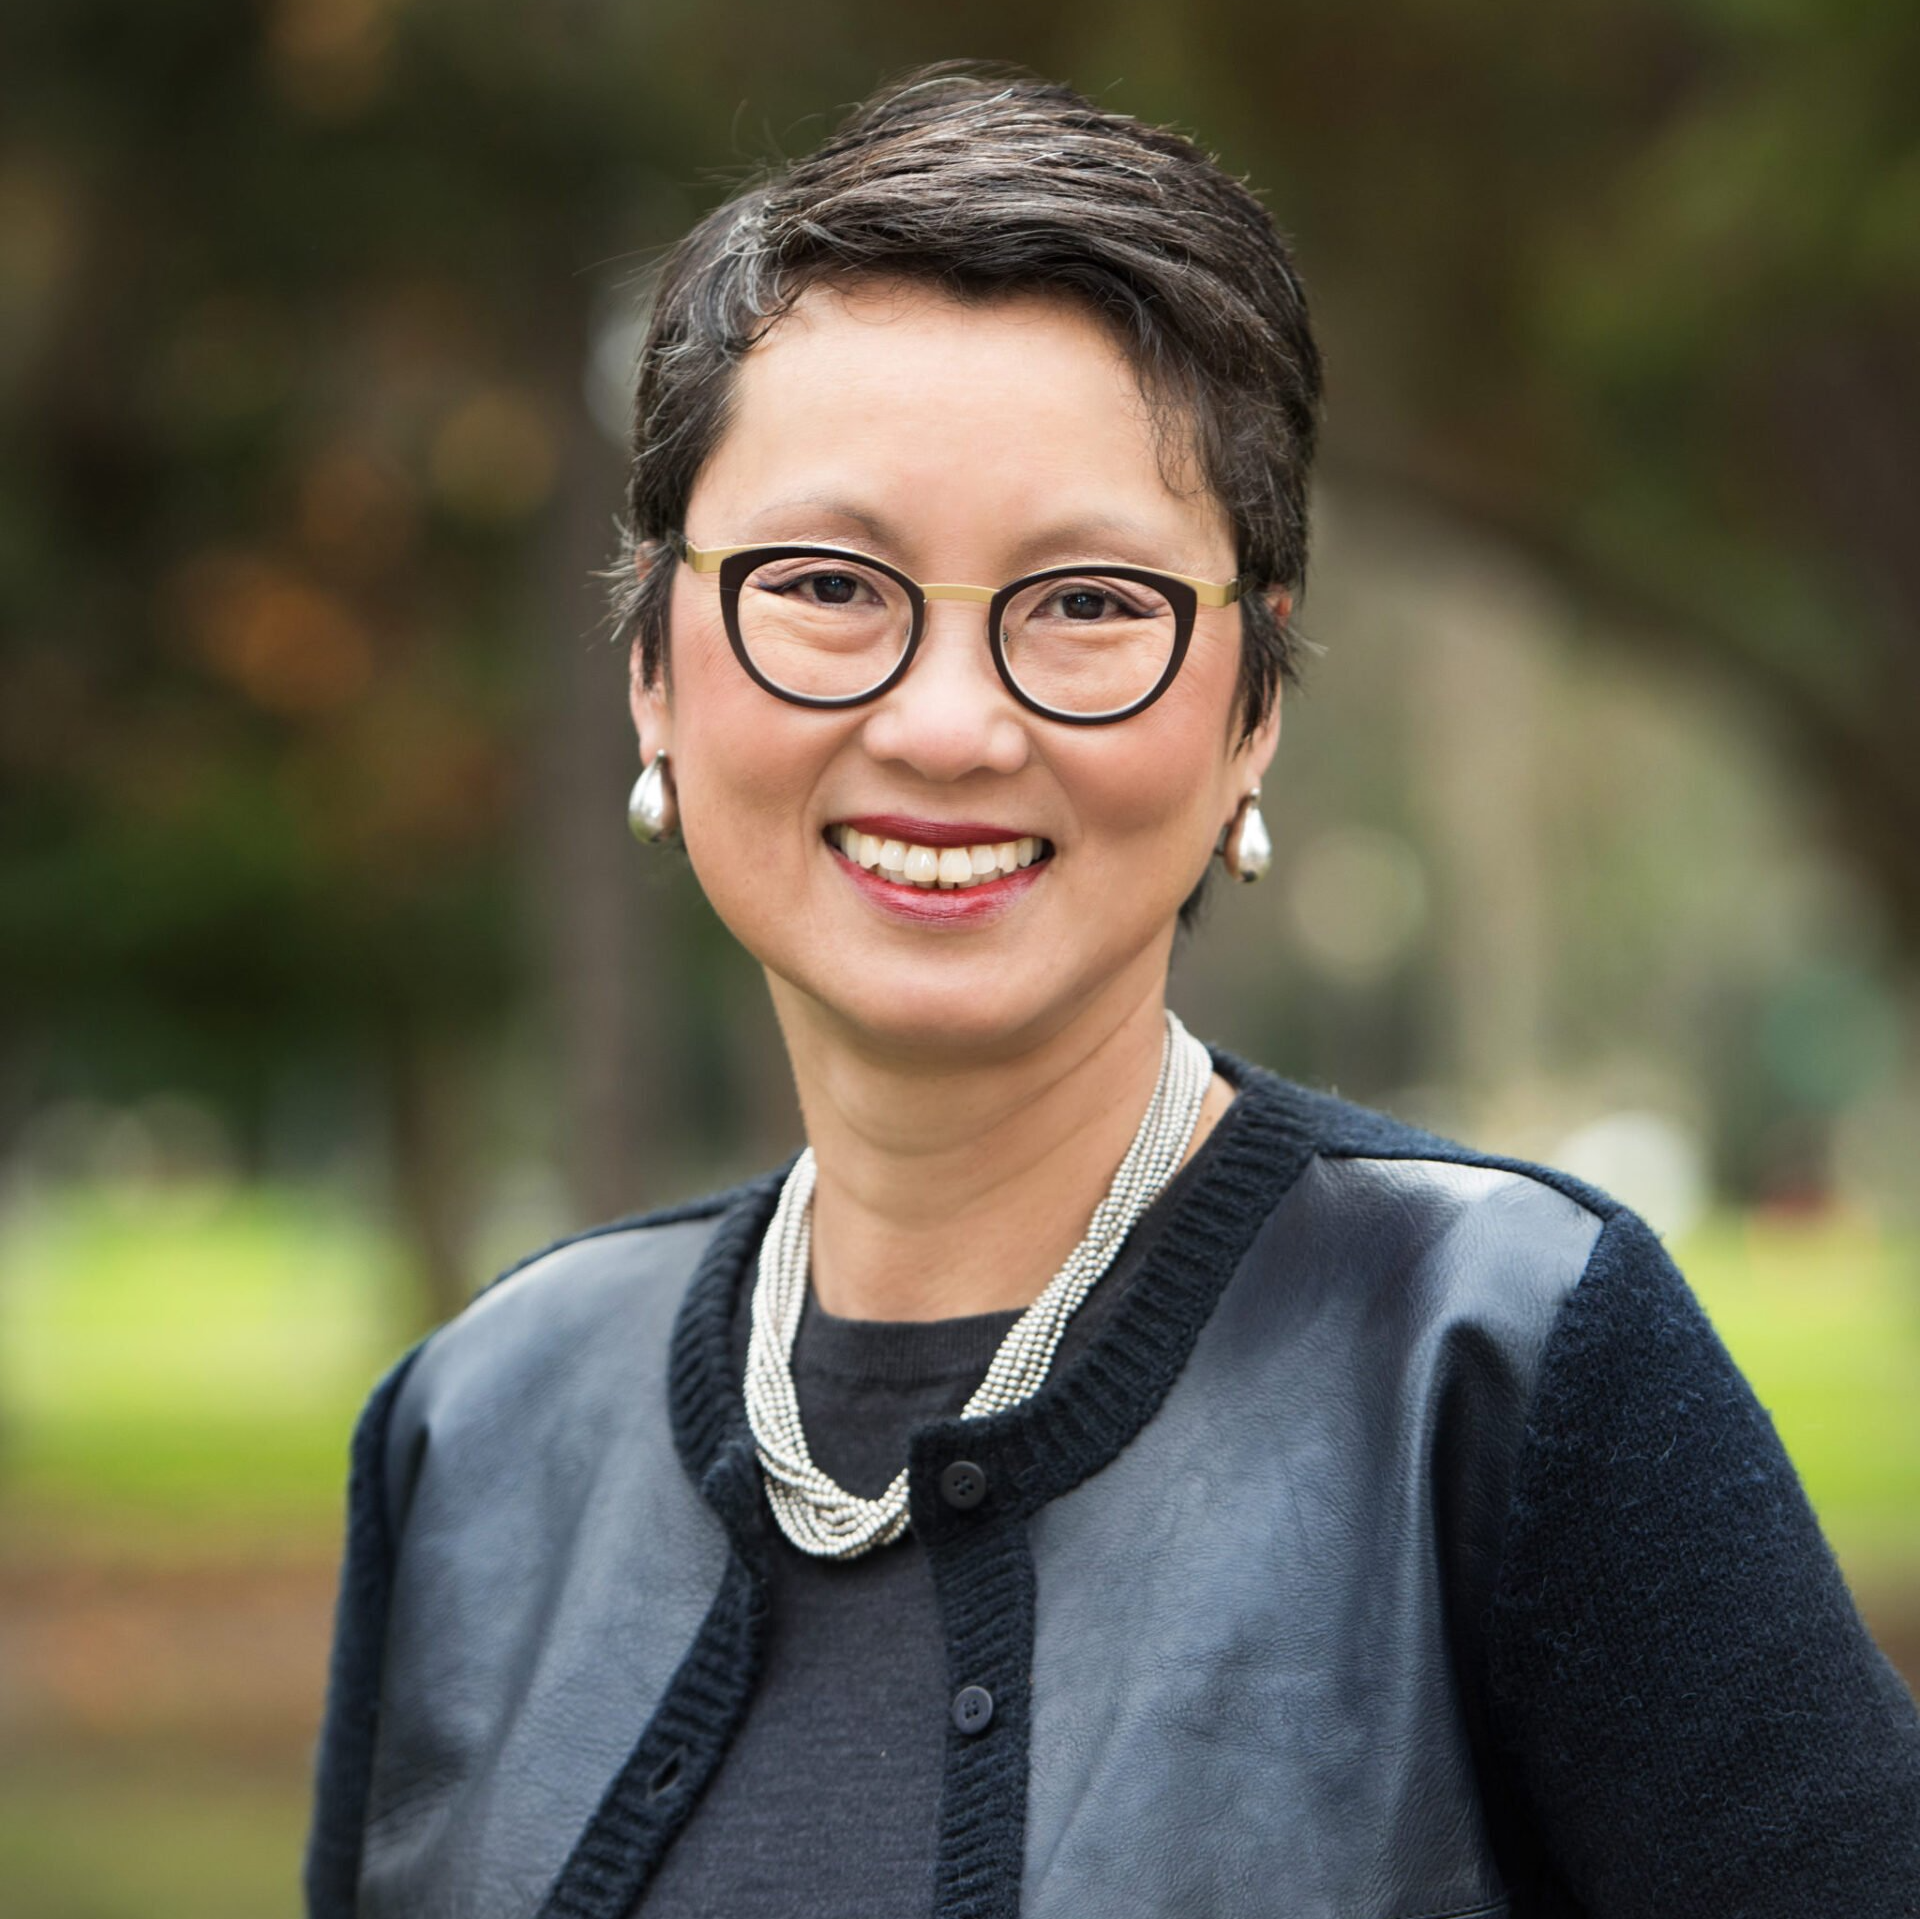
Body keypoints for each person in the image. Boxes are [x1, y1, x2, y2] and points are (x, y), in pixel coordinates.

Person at [303, 64, 1920, 1919]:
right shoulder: (477, 1432)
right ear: (657, 667)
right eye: (831, 584)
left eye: (1086, 603)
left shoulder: (1506, 1366)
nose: (947, 724)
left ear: (1255, 711)